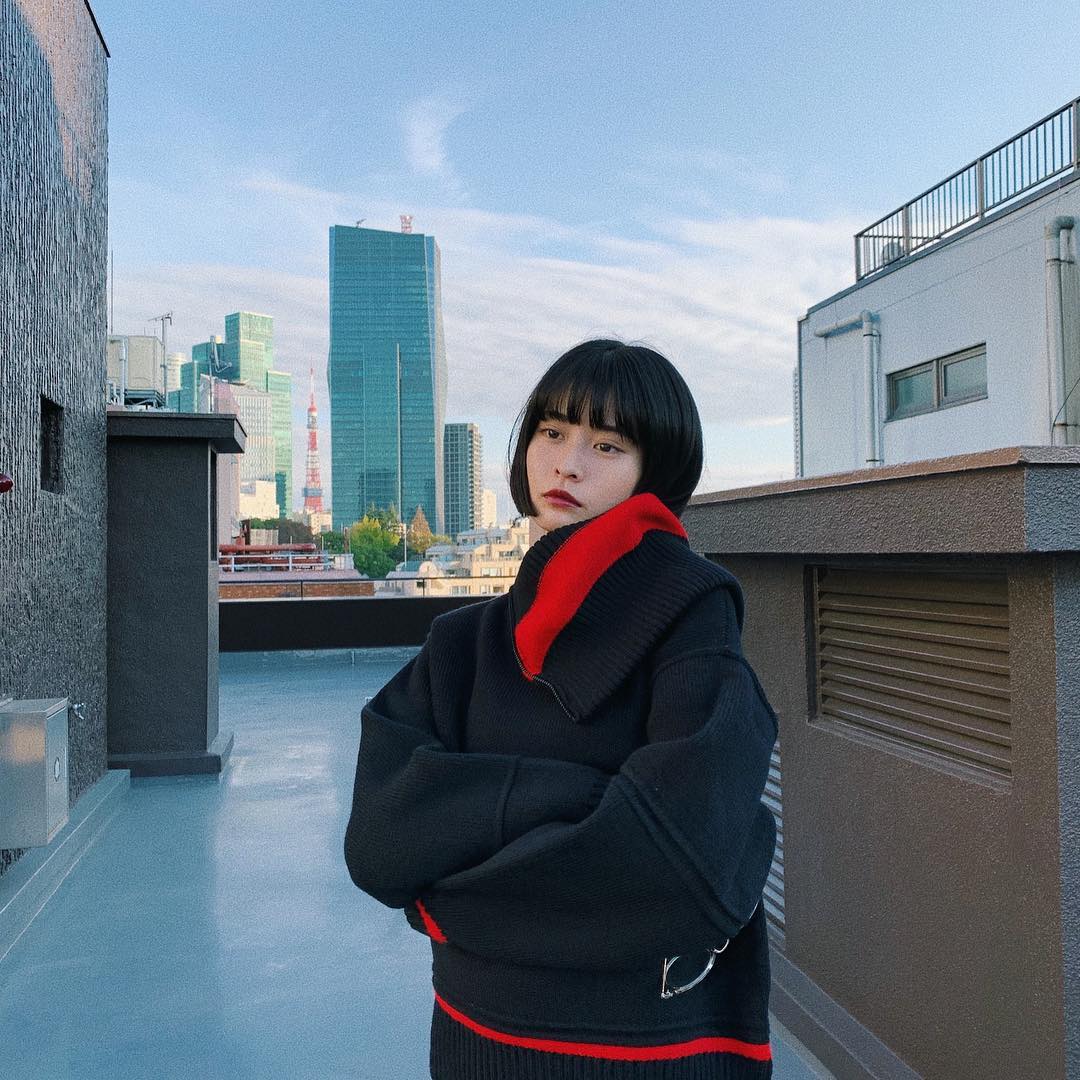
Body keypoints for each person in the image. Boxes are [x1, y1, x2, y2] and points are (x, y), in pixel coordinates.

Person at [345, 339, 779, 1079]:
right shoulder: (464, 642)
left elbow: (683, 860)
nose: (566, 464)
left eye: (607, 445)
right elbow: (379, 840)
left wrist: (452, 896)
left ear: (655, 470)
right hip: (477, 1039)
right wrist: (589, 801)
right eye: (551, 431)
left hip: (644, 1049)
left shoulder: (693, 621)